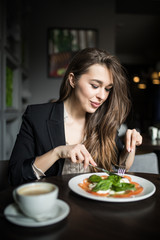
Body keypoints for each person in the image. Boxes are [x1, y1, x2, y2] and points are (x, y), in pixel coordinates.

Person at [8, 47, 142, 186]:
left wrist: (129, 148)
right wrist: (57, 153)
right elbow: (15, 176)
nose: (102, 96)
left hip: (94, 205)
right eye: (95, 86)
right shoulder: (37, 116)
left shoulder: (104, 121)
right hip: (55, 203)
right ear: (72, 80)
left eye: (107, 89)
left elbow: (121, 170)